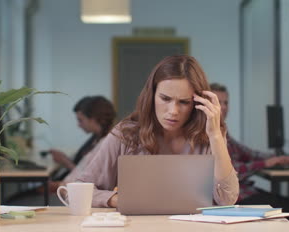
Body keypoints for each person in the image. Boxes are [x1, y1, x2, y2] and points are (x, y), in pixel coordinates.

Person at [76, 55, 239, 208]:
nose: (173, 111)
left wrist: (216, 135)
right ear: (152, 95)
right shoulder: (126, 133)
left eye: (184, 102)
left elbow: (227, 199)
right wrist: (118, 200)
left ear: (197, 103)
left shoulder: (209, 134)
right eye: (165, 99)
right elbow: (78, 191)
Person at [210, 82, 289, 232]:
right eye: (219, 102)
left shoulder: (223, 131)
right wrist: (265, 164)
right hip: (236, 199)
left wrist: (273, 158)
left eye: (226, 102)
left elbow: (248, 153)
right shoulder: (209, 133)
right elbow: (231, 172)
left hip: (246, 193)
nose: (224, 107)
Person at [48, 96, 116, 191]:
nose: (78, 125)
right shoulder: (95, 139)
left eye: (80, 120)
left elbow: (88, 179)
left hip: (72, 191)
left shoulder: (105, 144)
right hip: (68, 187)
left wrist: (65, 162)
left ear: (93, 119)